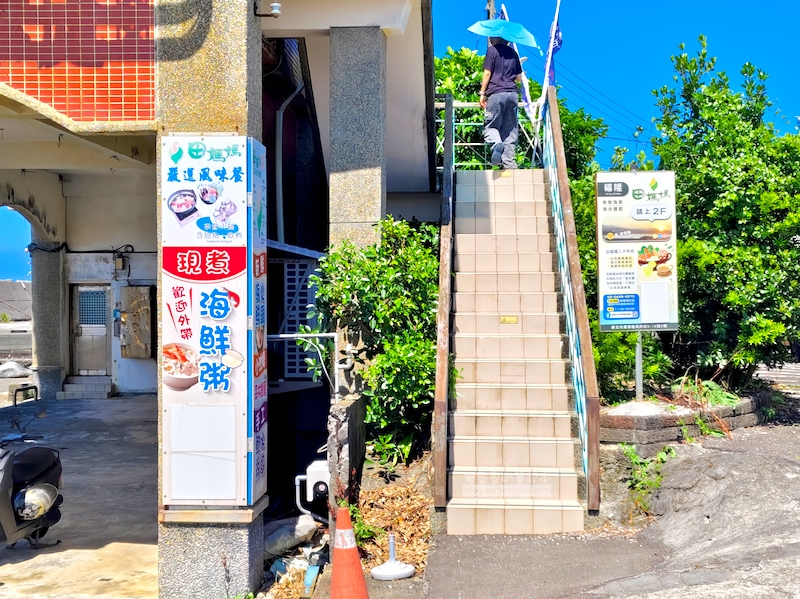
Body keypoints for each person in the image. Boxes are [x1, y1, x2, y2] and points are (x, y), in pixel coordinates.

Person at [479, 37, 522, 169]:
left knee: (491, 126)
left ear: (495, 39)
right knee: (510, 131)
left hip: (496, 93)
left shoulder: (492, 51)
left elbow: (487, 73)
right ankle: (509, 165)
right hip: (513, 94)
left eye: (491, 37)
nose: (490, 39)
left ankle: (496, 143)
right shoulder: (514, 53)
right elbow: (519, 78)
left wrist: (482, 93)